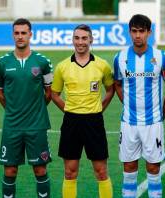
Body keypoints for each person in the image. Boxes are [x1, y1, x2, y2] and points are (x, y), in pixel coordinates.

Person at [113, 14, 165, 198]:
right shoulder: (120, 57)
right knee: (129, 167)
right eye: (134, 31)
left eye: (142, 31)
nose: (138, 35)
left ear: (149, 32)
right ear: (129, 33)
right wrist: (128, 104)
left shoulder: (161, 56)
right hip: (129, 123)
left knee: (153, 168)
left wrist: (161, 114)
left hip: (153, 123)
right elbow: (117, 83)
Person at [51, 24, 114, 198]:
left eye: (84, 38)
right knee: (70, 172)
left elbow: (110, 89)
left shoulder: (102, 65)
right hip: (71, 122)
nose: (80, 42)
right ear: (72, 40)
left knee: (101, 171)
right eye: (77, 38)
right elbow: (54, 94)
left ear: (91, 40)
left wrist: (99, 108)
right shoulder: (62, 67)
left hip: (94, 122)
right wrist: (69, 110)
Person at [0, 18, 53, 198]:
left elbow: (48, 93)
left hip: (36, 125)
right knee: (10, 171)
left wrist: (34, 110)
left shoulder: (43, 62)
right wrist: (14, 109)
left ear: (30, 35)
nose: (20, 37)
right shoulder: (2, 63)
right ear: (13, 35)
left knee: (40, 170)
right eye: (17, 33)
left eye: (23, 33)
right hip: (12, 126)